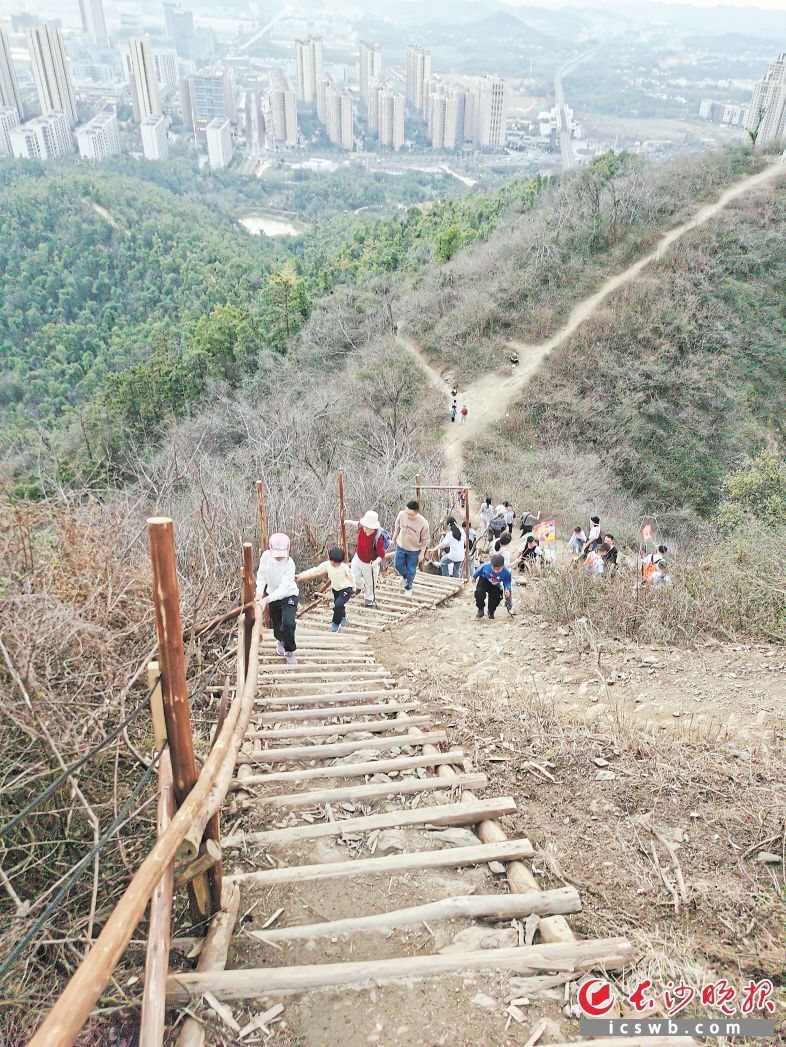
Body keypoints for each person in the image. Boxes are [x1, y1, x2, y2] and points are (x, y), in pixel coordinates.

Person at [256, 532, 299, 666]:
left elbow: (284, 588)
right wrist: (259, 593)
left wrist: (265, 600)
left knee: (288, 623)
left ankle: (290, 650)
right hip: (272, 595)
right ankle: (280, 640)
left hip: (288, 595)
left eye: (282, 555)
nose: (279, 558)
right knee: (277, 624)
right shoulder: (265, 557)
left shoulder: (290, 563)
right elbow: (261, 575)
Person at [296, 547, 355, 633]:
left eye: (338, 563)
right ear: (330, 559)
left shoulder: (344, 568)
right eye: (334, 563)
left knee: (337, 605)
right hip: (336, 589)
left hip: (346, 589)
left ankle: (335, 624)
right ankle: (343, 617)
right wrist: (301, 576)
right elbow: (315, 571)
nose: (336, 565)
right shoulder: (326, 565)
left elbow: (352, 577)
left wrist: (354, 589)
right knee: (338, 604)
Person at [345, 510, 386, 607]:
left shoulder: (378, 537)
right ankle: (359, 586)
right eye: (364, 525)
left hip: (369, 562)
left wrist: (375, 562)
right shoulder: (362, 527)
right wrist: (348, 522)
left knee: (370, 583)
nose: (364, 528)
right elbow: (357, 523)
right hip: (358, 556)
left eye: (367, 526)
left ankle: (369, 598)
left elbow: (381, 554)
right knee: (354, 575)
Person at [392, 499, 430, 598]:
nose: (408, 516)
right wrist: (393, 539)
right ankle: (405, 577)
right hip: (401, 546)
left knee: (411, 570)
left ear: (417, 513)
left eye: (411, 515)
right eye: (407, 513)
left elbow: (425, 540)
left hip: (414, 550)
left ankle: (408, 587)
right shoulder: (401, 514)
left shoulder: (423, 523)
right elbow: (397, 527)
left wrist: (422, 554)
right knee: (398, 565)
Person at [473, 553, 512, 620]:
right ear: (491, 565)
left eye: (498, 569)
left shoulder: (506, 572)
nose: (495, 571)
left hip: (496, 584)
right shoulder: (486, 565)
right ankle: (480, 609)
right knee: (479, 593)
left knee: (496, 598)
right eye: (494, 568)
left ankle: (491, 612)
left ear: (502, 566)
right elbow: (479, 571)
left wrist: (507, 589)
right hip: (484, 580)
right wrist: (474, 577)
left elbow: (507, 582)